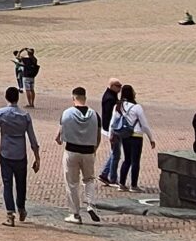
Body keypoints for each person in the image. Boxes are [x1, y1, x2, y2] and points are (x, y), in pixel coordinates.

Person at [0, 87, 39, 225]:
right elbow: (32, 138)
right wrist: (37, 157)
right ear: (17, 98)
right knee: (21, 183)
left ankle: (10, 213)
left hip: (6, 151)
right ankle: (21, 208)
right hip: (20, 152)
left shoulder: (0, 113)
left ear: (6, 97)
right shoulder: (25, 115)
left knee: (7, 183)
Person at [60, 88, 103, 222]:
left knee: (72, 183)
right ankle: (91, 204)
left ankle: (75, 214)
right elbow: (98, 136)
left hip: (71, 150)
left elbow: (60, 133)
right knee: (89, 179)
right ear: (85, 98)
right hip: (89, 151)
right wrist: (94, 149)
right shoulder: (95, 115)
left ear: (73, 98)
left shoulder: (67, 113)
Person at [107, 84, 152, 190]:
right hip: (136, 135)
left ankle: (122, 183)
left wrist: (110, 135)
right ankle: (133, 185)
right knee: (135, 161)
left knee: (127, 159)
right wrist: (151, 138)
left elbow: (113, 122)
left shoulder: (118, 106)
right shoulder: (137, 107)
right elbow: (144, 124)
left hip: (125, 135)